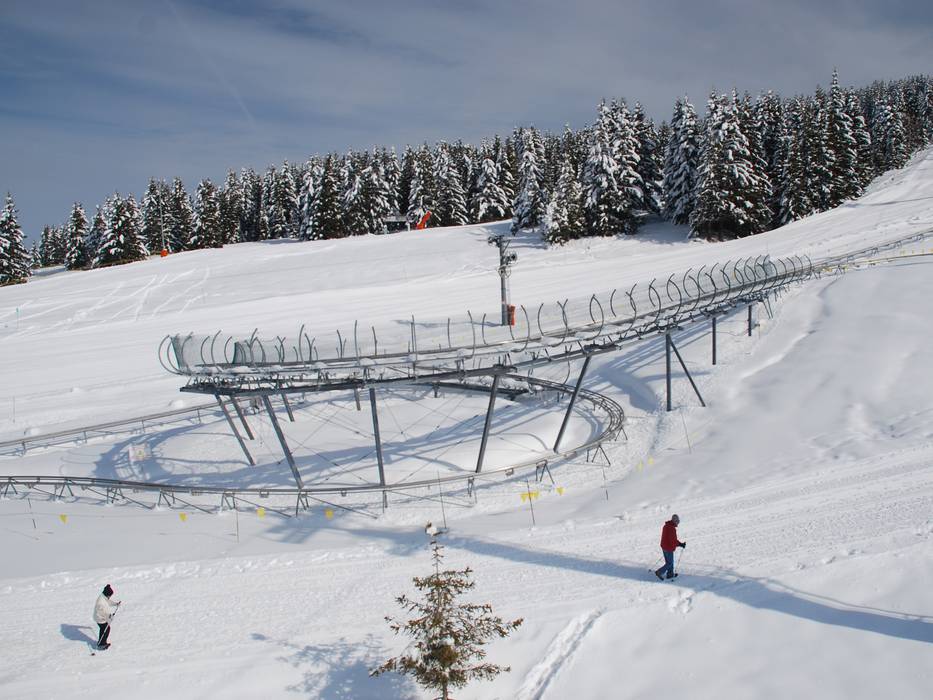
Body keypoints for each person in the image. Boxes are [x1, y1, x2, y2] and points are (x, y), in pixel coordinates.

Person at [654, 514, 686, 580]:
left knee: (669, 562)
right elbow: (673, 540)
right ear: (674, 521)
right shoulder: (671, 528)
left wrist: (679, 544)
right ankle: (659, 572)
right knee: (669, 563)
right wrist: (680, 544)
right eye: (677, 521)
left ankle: (670, 574)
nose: (678, 523)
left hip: (664, 546)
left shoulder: (666, 526)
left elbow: (671, 539)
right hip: (668, 547)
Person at [93, 584, 121, 650]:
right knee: (106, 629)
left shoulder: (104, 597)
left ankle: (101, 642)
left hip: (102, 617)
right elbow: (101, 612)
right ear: (107, 594)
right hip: (99, 618)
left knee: (104, 629)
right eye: (110, 595)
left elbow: (108, 602)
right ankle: (101, 643)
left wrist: (115, 604)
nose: (110, 597)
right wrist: (109, 616)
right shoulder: (100, 602)